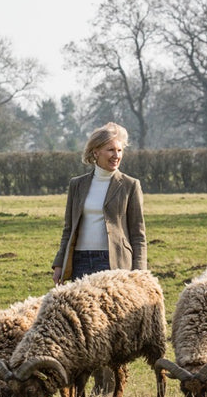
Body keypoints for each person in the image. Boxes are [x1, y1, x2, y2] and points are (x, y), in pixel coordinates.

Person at [51, 122, 147, 286]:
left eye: (119, 150)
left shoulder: (130, 185)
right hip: (80, 261)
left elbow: (138, 235)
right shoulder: (77, 185)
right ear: (96, 152)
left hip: (113, 261)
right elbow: (68, 229)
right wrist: (60, 263)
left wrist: (140, 272)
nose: (116, 155)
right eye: (110, 150)